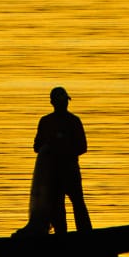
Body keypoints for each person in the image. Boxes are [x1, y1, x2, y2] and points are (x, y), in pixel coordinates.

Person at [28, 86, 92, 235]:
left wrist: (61, 150)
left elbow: (82, 147)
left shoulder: (71, 121)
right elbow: (37, 147)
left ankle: (84, 236)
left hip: (69, 172)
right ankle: (65, 237)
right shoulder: (48, 122)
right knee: (60, 207)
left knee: (77, 204)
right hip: (56, 174)